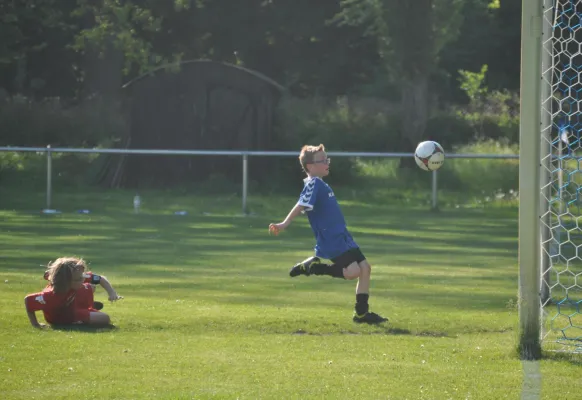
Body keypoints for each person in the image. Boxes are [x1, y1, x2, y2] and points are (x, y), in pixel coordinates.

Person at [269, 144, 387, 324]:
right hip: (332, 240)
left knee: (365, 269)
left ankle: (362, 314)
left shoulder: (321, 183)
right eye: (322, 160)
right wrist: (285, 223)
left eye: (327, 159)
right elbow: (301, 204)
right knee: (353, 272)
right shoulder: (313, 183)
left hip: (343, 236)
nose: (327, 162)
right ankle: (316, 267)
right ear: (310, 166)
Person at [25, 257, 123, 328]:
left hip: (71, 303)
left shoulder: (76, 278)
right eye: (78, 279)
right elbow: (28, 301)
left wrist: (112, 293)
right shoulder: (50, 295)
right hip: (65, 316)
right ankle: (84, 307)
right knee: (105, 319)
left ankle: (82, 304)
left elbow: (100, 278)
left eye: (82, 277)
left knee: (90, 286)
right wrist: (35, 324)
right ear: (65, 281)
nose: (82, 280)